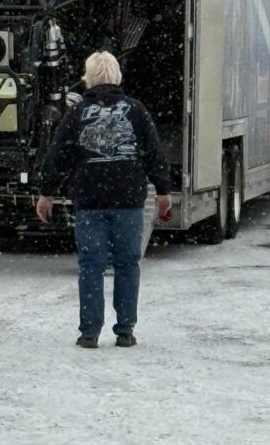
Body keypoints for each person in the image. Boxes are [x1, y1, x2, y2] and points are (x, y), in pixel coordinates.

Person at [36, 51, 173, 348]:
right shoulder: (135, 110)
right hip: (128, 201)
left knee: (91, 265)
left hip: (90, 200)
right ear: (117, 76)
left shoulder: (75, 114)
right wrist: (163, 191)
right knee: (127, 264)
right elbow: (154, 154)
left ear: (89, 78)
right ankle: (125, 330)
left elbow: (59, 155)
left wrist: (46, 192)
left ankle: (89, 332)